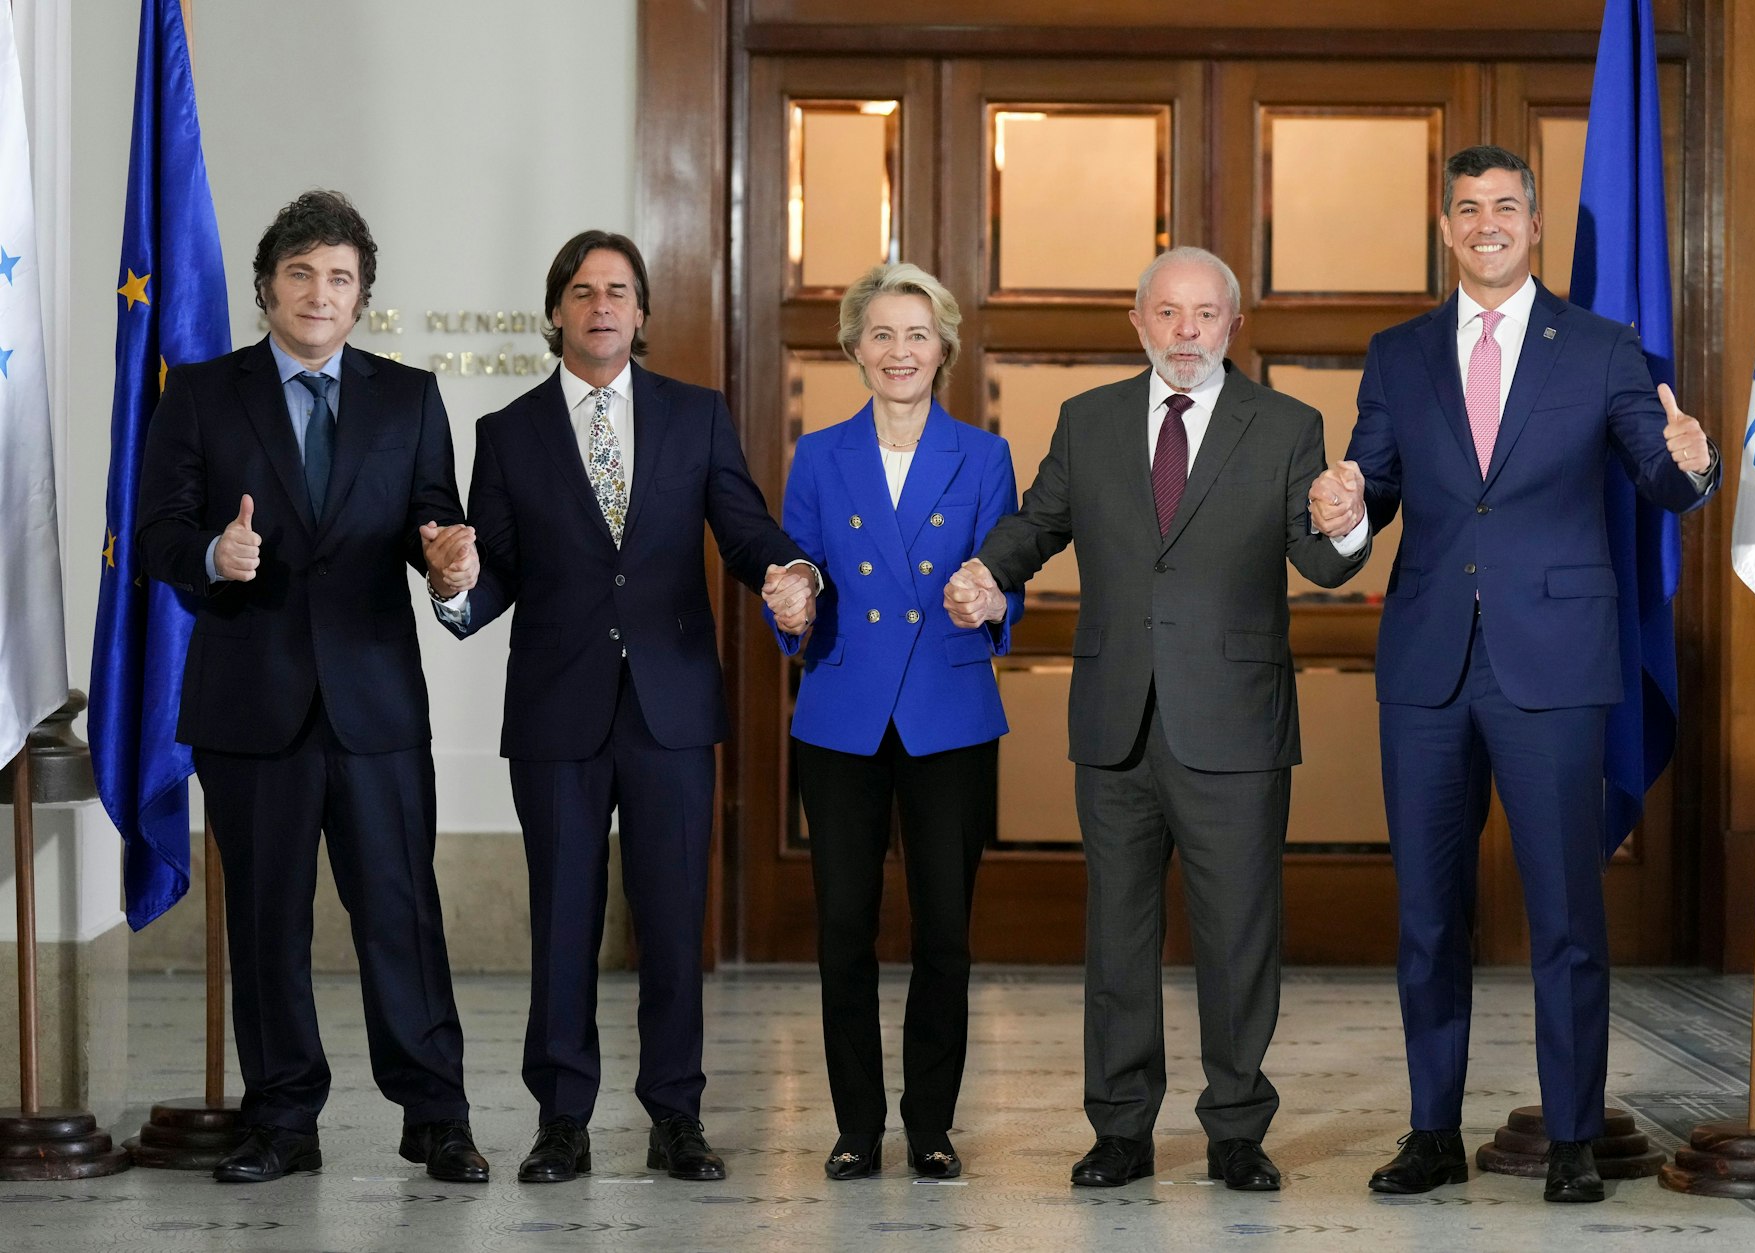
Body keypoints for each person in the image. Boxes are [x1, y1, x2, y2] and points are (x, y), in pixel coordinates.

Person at [1319, 145, 1718, 1204]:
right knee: (1427, 914)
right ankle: (1430, 1132)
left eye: (1504, 206)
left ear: (1534, 225)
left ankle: (1574, 1138)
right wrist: (1344, 511)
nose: (1485, 223)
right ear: (1446, 227)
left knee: (1565, 912)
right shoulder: (1398, 353)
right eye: (1466, 208)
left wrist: (1691, 463)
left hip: (1555, 662)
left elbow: (1657, 469)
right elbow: (1373, 483)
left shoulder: (1599, 346)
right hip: (1426, 665)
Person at [947, 246, 1368, 1191]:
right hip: (1116, 719)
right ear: (1137, 322)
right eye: (1169, 313)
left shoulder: (1287, 424)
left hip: (1236, 722)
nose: (1186, 332)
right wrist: (987, 571)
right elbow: (1038, 521)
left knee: (1240, 934)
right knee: (1119, 935)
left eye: (1206, 315)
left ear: (1234, 326)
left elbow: (1321, 560)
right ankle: (1120, 1129)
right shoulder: (1087, 419)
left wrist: (1345, 520)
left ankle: (1236, 1130)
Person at [432, 230, 818, 1183]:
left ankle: (675, 1117)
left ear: (641, 312)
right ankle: (561, 1121)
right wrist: (454, 585)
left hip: (670, 707)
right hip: (556, 714)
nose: (600, 304)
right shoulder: (509, 432)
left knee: (673, 922)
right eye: (582, 290)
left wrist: (789, 571)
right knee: (562, 920)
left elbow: (743, 528)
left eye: (617, 290)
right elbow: (495, 572)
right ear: (555, 310)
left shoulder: (695, 414)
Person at [137, 190, 487, 1184]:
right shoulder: (202, 393)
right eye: (300, 273)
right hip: (251, 706)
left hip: (375, 706)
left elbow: (433, 523)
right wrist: (215, 552)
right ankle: (284, 1119)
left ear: (361, 295)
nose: (319, 293)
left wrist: (450, 568)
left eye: (339, 277)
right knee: (267, 923)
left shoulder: (408, 397)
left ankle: (437, 1116)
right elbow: (157, 532)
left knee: (400, 915)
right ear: (267, 288)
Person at [768, 263, 1022, 1181]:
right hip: (843, 713)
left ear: (943, 348)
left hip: (948, 715)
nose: (900, 351)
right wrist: (790, 601)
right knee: (845, 929)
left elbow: (1004, 576)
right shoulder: (818, 455)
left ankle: (931, 1125)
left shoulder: (984, 455)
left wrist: (990, 599)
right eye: (882, 334)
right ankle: (855, 1125)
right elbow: (798, 572)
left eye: (917, 334)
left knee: (944, 932)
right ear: (854, 348)